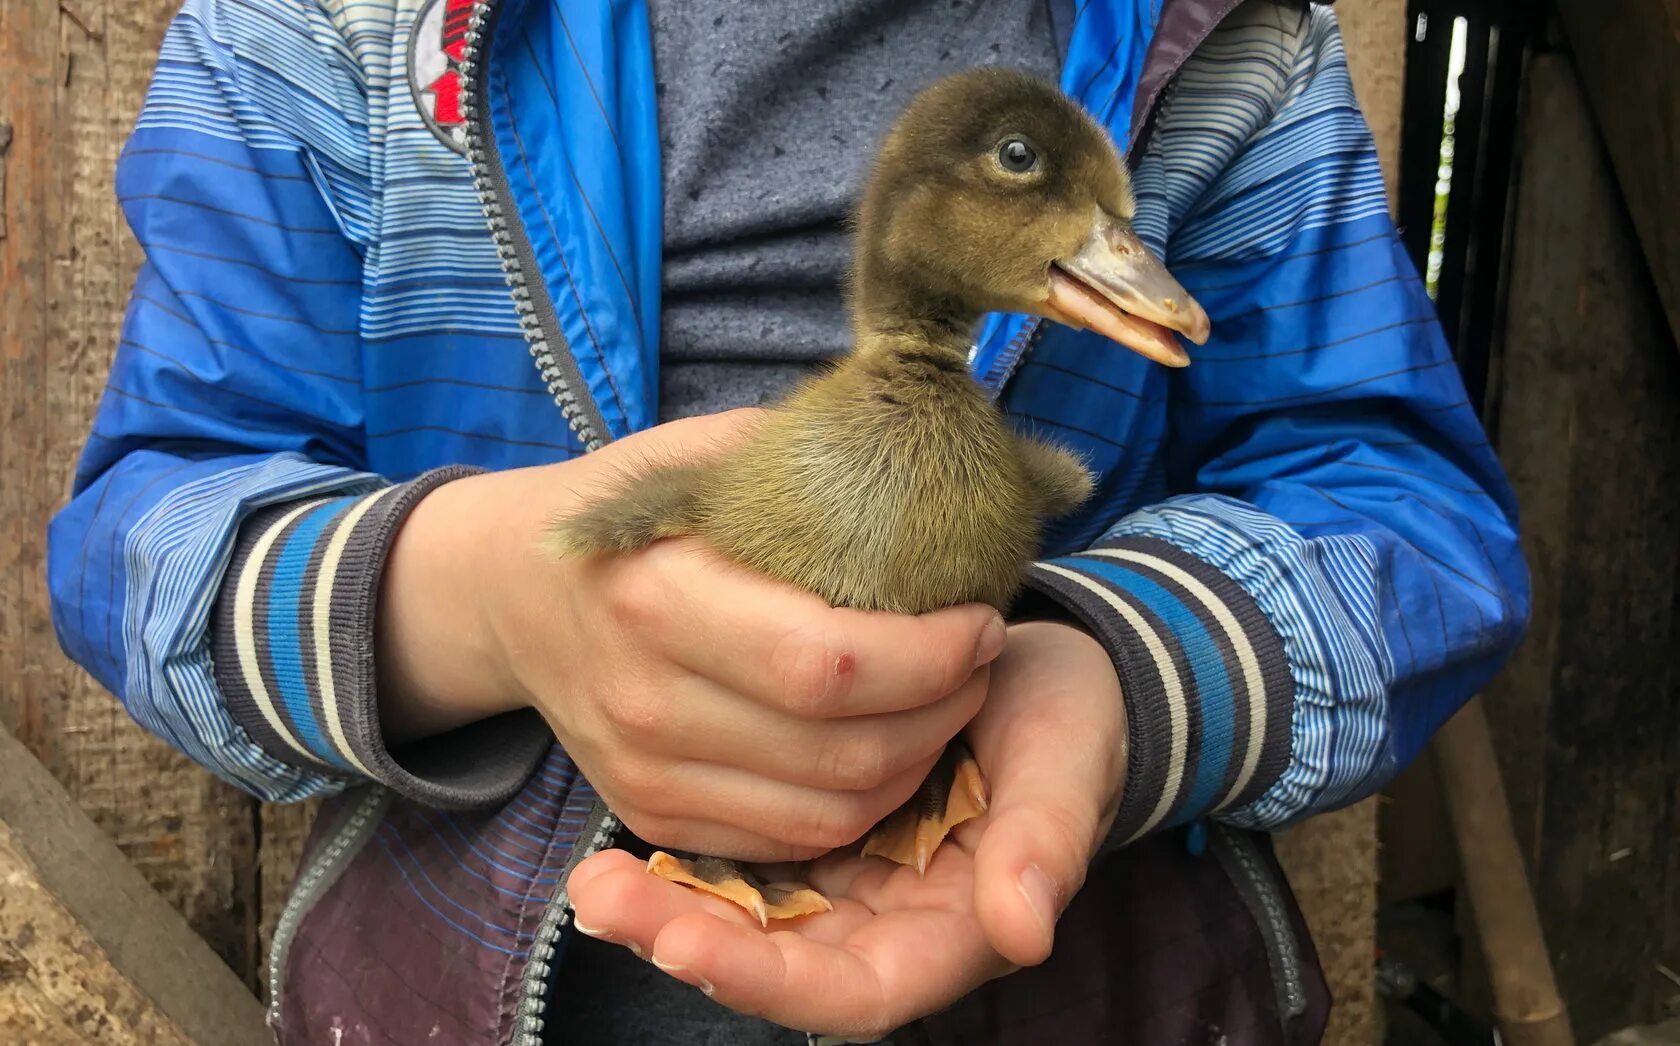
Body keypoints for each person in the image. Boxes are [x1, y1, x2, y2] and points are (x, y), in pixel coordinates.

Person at [47, 0, 1529, 1042]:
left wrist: (1118, 681)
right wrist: (483, 600)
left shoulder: (1221, 37)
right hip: (449, 991)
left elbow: (1410, 513)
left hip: (1091, 983)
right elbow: (146, 532)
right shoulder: (331, 29)